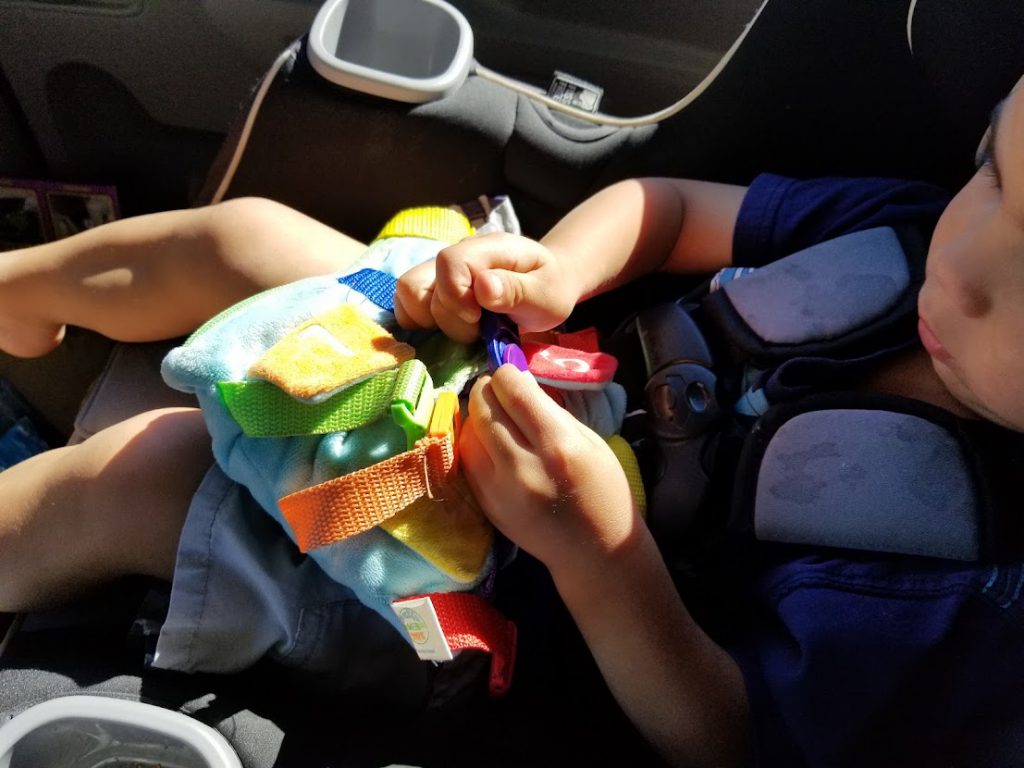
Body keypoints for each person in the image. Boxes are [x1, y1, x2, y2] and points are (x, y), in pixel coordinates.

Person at [0, 73, 1021, 767]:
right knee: (247, 237)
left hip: (498, 595)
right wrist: (560, 270)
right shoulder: (900, 222)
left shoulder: (968, 593)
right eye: (994, 173)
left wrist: (594, 553)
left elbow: (720, 733)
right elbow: (662, 205)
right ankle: (17, 295)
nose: (965, 262)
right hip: (501, 364)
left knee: (149, 467)